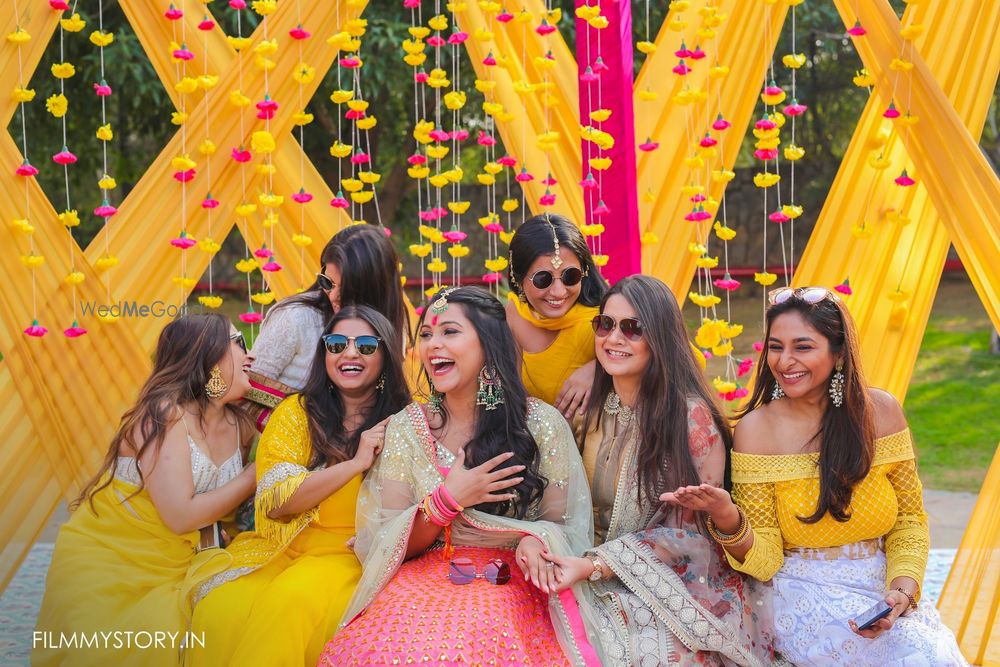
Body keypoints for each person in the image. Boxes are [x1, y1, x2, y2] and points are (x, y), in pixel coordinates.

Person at [666, 286, 968, 666]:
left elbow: (909, 521)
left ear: (838, 352)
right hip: (802, 590)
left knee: (935, 652)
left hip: (883, 585)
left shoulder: (882, 412)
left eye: (803, 347)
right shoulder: (758, 430)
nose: (785, 360)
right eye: (776, 346)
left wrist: (902, 593)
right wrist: (727, 517)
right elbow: (766, 562)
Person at [317, 286, 601, 666]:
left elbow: (564, 526)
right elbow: (392, 543)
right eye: (427, 335)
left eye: (449, 332)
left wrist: (536, 541)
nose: (433, 345)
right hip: (421, 583)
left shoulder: (540, 424)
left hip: (511, 582)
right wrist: (447, 501)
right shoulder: (409, 428)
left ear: (488, 344)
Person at [540, 275, 779, 666]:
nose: (614, 338)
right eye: (606, 325)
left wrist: (596, 566)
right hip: (580, 564)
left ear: (660, 337)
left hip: (671, 585)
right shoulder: (591, 409)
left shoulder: (691, 419)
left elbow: (691, 539)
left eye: (632, 328)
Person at [186, 306, 409, 667]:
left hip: (354, 556)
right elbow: (277, 501)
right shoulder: (298, 413)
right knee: (222, 608)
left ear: (385, 356)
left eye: (366, 345)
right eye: (336, 344)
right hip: (283, 548)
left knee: (291, 604)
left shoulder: (405, 421)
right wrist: (355, 464)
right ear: (324, 355)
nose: (349, 353)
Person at [32, 314, 257, 667]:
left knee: (240, 612)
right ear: (210, 356)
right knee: (159, 632)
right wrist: (255, 475)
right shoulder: (164, 416)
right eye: (239, 342)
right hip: (119, 560)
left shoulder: (239, 425)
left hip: (193, 558)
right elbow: (180, 515)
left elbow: (219, 511)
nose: (251, 353)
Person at [246, 224, 408, 431]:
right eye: (327, 282)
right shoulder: (295, 318)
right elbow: (248, 388)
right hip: (291, 448)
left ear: (375, 288)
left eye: (347, 288)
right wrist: (309, 428)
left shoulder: (390, 323)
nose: (332, 296)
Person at [506, 213, 606, 419]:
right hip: (540, 442)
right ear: (518, 280)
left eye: (571, 276)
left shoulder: (601, 320)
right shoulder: (516, 312)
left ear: (584, 272)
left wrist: (600, 370)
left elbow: (666, 355)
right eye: (543, 279)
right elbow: (512, 395)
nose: (559, 292)